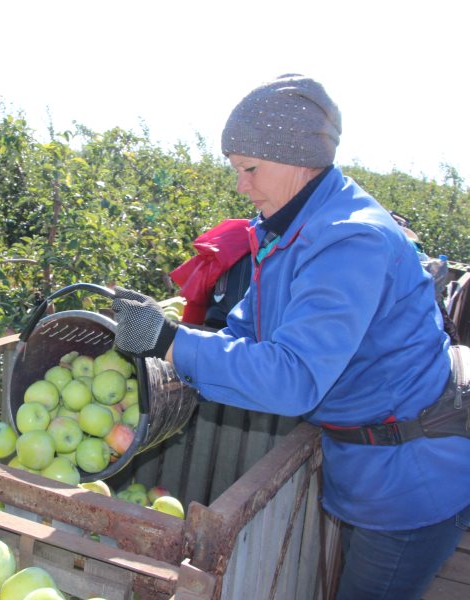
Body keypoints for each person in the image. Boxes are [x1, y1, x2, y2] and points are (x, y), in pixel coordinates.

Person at [111, 74, 470, 600]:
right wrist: (173, 351)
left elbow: (295, 377)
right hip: (369, 467)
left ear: (300, 159)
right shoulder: (287, 234)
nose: (241, 185)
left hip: (409, 483)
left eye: (250, 169)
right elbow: (244, 331)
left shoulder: (351, 239)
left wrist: (170, 343)